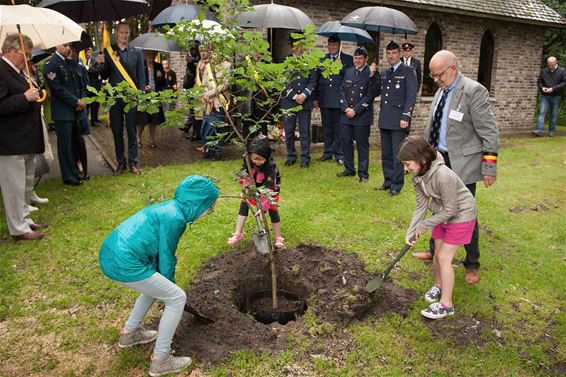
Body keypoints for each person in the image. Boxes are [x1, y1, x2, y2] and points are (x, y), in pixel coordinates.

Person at [98, 175, 218, 376]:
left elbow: (157, 250)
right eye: (209, 207)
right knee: (177, 297)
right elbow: (167, 255)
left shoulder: (170, 208)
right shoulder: (175, 218)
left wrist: (164, 283)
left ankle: (130, 334)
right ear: (198, 204)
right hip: (124, 262)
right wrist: (169, 285)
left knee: (156, 286)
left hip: (112, 254)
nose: (209, 212)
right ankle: (161, 359)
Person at [411, 50, 500, 286]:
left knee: (465, 212)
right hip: (438, 161)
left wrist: (489, 167)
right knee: (438, 207)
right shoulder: (442, 91)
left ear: (452, 69)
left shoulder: (473, 91)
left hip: (462, 163)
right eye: (433, 76)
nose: (436, 80)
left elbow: (489, 131)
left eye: (438, 75)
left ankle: (472, 263)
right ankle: (434, 250)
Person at [399, 136, 477, 319]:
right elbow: (421, 206)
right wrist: (411, 232)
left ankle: (446, 304)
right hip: (443, 214)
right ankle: (439, 285)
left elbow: (452, 209)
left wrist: (425, 224)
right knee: (437, 255)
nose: (405, 169)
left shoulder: (444, 175)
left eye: (408, 164)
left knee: (444, 258)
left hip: (462, 215)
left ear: (422, 160)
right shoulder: (417, 177)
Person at [0, 33, 48, 240]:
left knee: (26, 182)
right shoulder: (1, 71)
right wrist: (23, 98)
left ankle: (25, 219)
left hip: (26, 139)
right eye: (25, 54)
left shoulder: (19, 72)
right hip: (10, 141)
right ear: (10, 51)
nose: (27, 59)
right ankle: (18, 229)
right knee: (14, 186)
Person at [93, 22, 146, 175]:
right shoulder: (109, 52)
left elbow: (141, 78)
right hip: (115, 98)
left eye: (127, 33)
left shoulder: (136, 52)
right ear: (116, 33)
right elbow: (104, 76)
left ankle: (133, 163)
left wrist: (140, 99)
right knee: (117, 131)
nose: (124, 35)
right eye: (122, 32)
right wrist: (101, 65)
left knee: (131, 132)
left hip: (131, 98)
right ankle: (120, 162)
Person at [227, 137, 284, 249]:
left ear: (267, 157)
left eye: (261, 159)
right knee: (244, 204)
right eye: (255, 158)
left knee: (273, 210)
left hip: (270, 189)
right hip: (254, 185)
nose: (257, 161)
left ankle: (278, 238)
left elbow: (269, 189)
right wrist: (246, 188)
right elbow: (244, 175)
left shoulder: (271, 167)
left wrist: (262, 208)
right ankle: (238, 234)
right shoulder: (247, 160)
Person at [376, 40, 418, 195]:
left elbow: (411, 96)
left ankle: (396, 185)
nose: (390, 56)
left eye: (394, 53)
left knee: (397, 154)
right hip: (385, 118)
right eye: (388, 53)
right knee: (386, 153)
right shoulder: (386, 72)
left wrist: (406, 116)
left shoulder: (408, 71)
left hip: (399, 119)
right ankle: (387, 181)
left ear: (399, 54)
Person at [43, 43, 86, 186]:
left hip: (74, 111)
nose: (68, 48)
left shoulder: (70, 62)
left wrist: (80, 100)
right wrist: (76, 101)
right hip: (63, 112)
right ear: (56, 46)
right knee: (65, 145)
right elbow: (57, 89)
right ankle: (68, 176)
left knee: (73, 144)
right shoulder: (51, 64)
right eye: (65, 45)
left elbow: (77, 83)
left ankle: (74, 172)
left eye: (69, 46)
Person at [336, 46, 380, 183]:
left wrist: (355, 110)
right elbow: (342, 90)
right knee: (346, 143)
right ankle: (349, 168)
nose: (357, 61)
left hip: (361, 116)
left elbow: (371, 94)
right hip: (346, 115)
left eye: (360, 58)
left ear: (366, 59)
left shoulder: (371, 73)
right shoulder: (349, 71)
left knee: (362, 145)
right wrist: (345, 108)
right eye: (355, 58)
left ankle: (363, 173)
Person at [315, 34, 354, 166]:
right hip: (325, 98)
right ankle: (327, 153)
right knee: (327, 128)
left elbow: (350, 79)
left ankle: (340, 154)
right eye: (330, 45)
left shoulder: (347, 60)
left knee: (339, 129)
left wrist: (341, 66)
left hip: (339, 100)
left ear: (339, 45)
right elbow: (317, 80)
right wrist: (315, 98)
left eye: (334, 45)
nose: (332, 47)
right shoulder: (322, 60)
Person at [281, 36, 317, 168]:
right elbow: (283, 82)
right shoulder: (286, 61)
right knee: (289, 130)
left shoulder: (309, 62)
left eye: (301, 45)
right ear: (292, 45)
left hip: (305, 102)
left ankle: (305, 157)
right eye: (295, 44)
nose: (298, 47)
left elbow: (313, 81)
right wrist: (294, 96)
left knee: (304, 130)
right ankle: (291, 156)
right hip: (289, 102)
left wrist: (304, 95)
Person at [197, 44, 231, 160]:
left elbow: (224, 85)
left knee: (218, 127)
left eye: (217, 53)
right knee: (207, 126)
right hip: (208, 102)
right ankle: (208, 149)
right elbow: (204, 84)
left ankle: (217, 152)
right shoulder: (208, 67)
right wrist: (206, 93)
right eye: (213, 53)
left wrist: (209, 93)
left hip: (219, 101)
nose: (215, 56)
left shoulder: (227, 66)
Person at [137, 50, 166, 149]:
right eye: (149, 54)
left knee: (154, 120)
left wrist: (160, 77)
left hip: (155, 97)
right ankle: (138, 138)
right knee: (143, 120)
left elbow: (163, 84)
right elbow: (136, 80)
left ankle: (152, 139)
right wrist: (143, 87)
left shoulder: (159, 66)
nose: (151, 56)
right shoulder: (140, 65)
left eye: (154, 54)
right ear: (145, 54)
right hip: (144, 97)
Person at [533, 56, 566, 137]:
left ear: (556, 62)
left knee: (553, 114)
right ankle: (539, 130)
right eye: (549, 64)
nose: (550, 66)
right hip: (545, 95)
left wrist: (553, 89)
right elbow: (539, 82)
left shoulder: (562, 71)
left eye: (551, 64)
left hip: (556, 96)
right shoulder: (544, 71)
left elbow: (564, 83)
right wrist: (542, 88)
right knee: (542, 112)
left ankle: (552, 131)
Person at [181, 42, 201, 141]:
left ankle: (196, 133)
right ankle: (192, 129)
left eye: (194, 49)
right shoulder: (192, 58)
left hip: (196, 88)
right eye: (191, 49)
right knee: (192, 110)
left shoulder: (199, 59)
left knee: (195, 111)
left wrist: (190, 62)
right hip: (190, 87)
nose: (192, 51)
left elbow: (195, 72)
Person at [84, 47, 102, 127]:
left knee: (95, 104)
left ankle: (94, 120)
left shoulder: (95, 61)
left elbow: (97, 71)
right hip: (87, 86)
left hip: (95, 85)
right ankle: (86, 120)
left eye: (89, 52)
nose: (88, 54)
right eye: (87, 52)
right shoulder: (84, 60)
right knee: (87, 104)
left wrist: (88, 68)